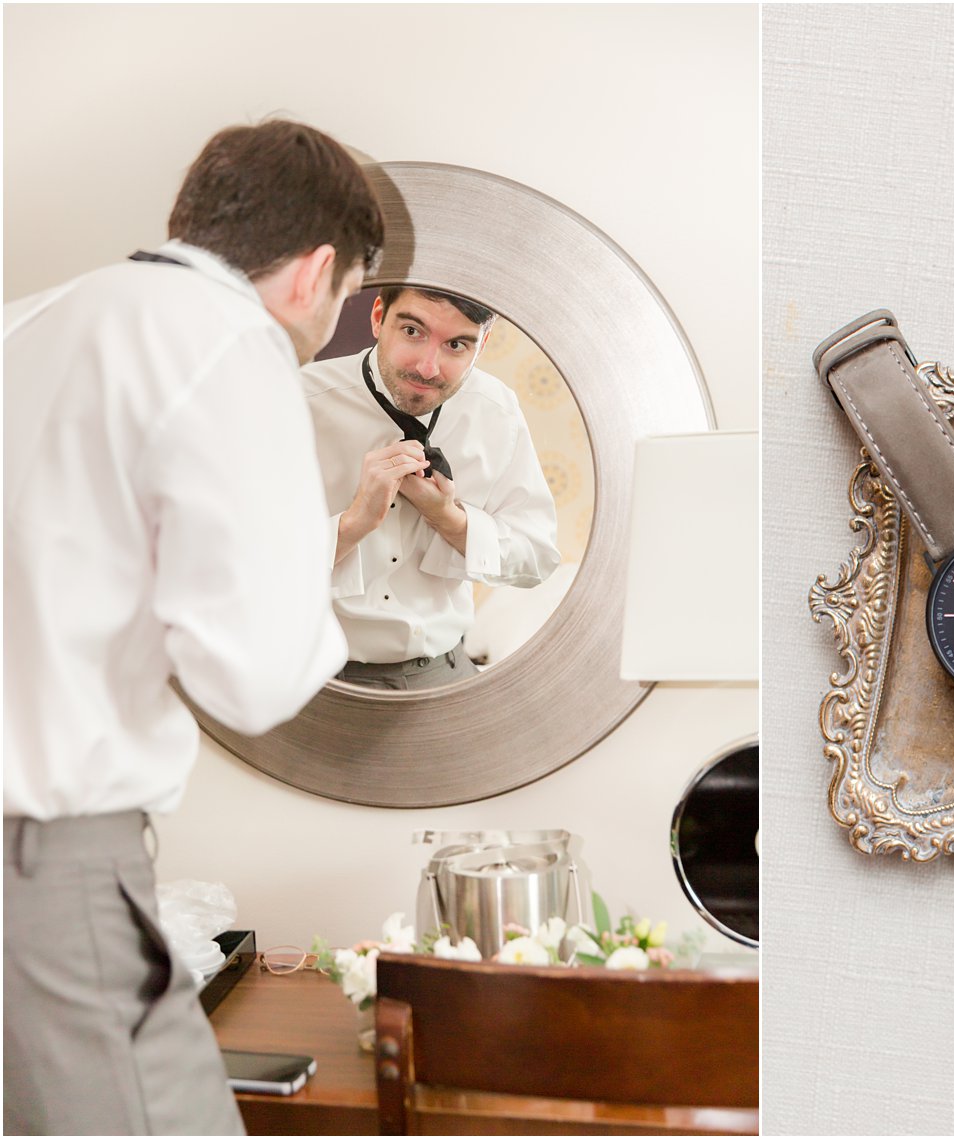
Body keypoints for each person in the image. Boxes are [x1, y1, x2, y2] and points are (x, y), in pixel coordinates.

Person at [3, 120, 384, 1135]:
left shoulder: (30, 320)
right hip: (50, 869)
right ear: (314, 273)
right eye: (347, 297)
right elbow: (252, 678)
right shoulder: (227, 340)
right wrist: (326, 534)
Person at [302, 287, 560, 690]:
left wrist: (451, 521)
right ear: (378, 318)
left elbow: (537, 559)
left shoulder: (495, 411)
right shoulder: (299, 401)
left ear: (482, 346)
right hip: (314, 678)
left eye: (456, 345)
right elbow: (243, 565)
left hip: (443, 676)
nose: (427, 367)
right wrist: (353, 524)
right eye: (411, 331)